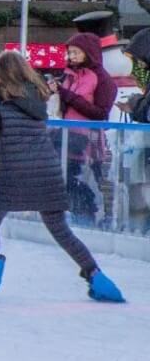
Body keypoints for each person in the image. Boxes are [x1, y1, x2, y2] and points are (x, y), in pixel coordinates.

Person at [0, 51, 125, 303]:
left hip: (14, 172)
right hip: (47, 170)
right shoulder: (37, 96)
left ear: (1, 73)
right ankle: (98, 278)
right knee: (60, 229)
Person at [58, 31, 117, 223]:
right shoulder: (70, 75)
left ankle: (90, 218)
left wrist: (69, 97)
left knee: (88, 182)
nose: (72, 56)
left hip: (88, 142)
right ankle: (78, 216)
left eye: (76, 52)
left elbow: (101, 113)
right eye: (70, 52)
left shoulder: (102, 79)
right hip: (68, 139)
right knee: (68, 180)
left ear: (88, 52)